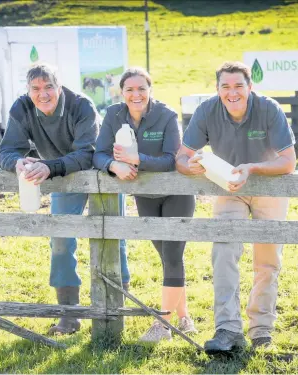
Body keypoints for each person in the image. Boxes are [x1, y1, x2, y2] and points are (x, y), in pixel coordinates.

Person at [0, 63, 130, 336]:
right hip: (63, 178)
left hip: (103, 174)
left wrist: (49, 166)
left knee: (114, 239)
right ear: (28, 90)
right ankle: (69, 315)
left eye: (48, 87)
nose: (42, 94)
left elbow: (87, 153)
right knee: (60, 241)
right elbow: (6, 151)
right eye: (36, 88)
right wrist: (17, 163)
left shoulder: (81, 106)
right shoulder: (21, 108)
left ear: (59, 87)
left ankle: (116, 308)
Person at [176, 61, 296, 354]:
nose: (232, 93)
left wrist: (252, 168)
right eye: (225, 87)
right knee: (224, 253)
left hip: (269, 186)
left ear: (249, 87)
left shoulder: (268, 109)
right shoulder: (207, 111)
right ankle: (228, 329)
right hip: (228, 187)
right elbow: (182, 156)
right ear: (217, 90)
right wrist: (189, 166)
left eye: (238, 86)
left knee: (267, 260)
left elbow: (288, 161)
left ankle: (261, 329)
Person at [93, 67, 197, 343]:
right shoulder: (113, 115)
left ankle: (162, 326)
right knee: (166, 258)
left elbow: (171, 159)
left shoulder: (166, 116)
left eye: (141, 89)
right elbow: (98, 154)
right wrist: (114, 165)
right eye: (129, 89)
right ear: (122, 92)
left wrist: (137, 159)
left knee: (173, 257)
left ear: (150, 90)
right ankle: (184, 319)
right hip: (145, 197)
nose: (135, 94)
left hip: (176, 195)